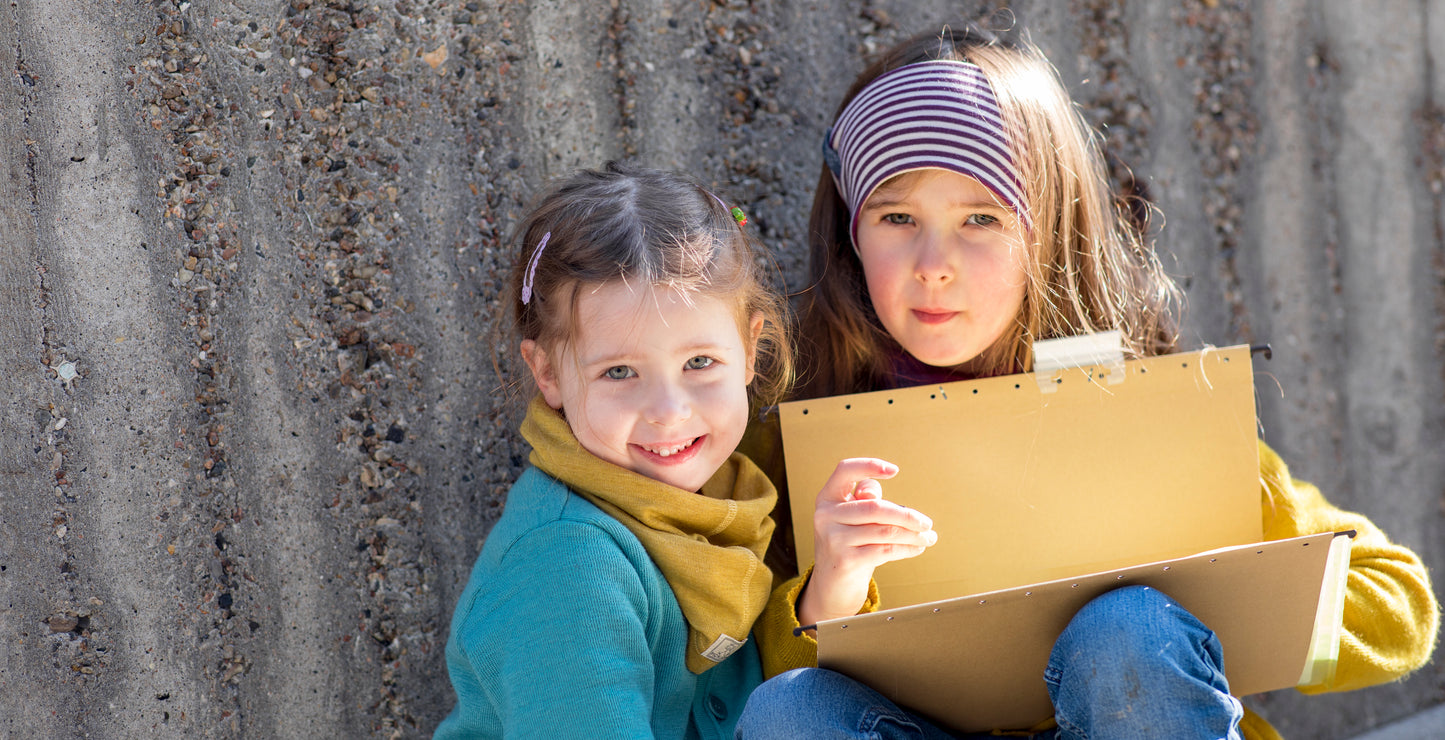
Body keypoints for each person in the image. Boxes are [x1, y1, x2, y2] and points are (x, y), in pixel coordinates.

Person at [736, 23, 1439, 740]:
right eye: (896, 217)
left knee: (1127, 630)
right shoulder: (803, 431)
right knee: (788, 708)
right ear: (851, 236)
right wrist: (832, 594)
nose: (932, 262)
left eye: (981, 217)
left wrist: (1219, 558)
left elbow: (1401, 607)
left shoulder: (1131, 403)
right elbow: (750, 682)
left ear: (1048, 231)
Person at [434, 162, 817, 739]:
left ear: (750, 347)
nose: (668, 409)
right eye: (619, 371)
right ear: (547, 373)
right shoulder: (567, 567)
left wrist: (832, 590)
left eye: (698, 363)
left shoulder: (722, 498)